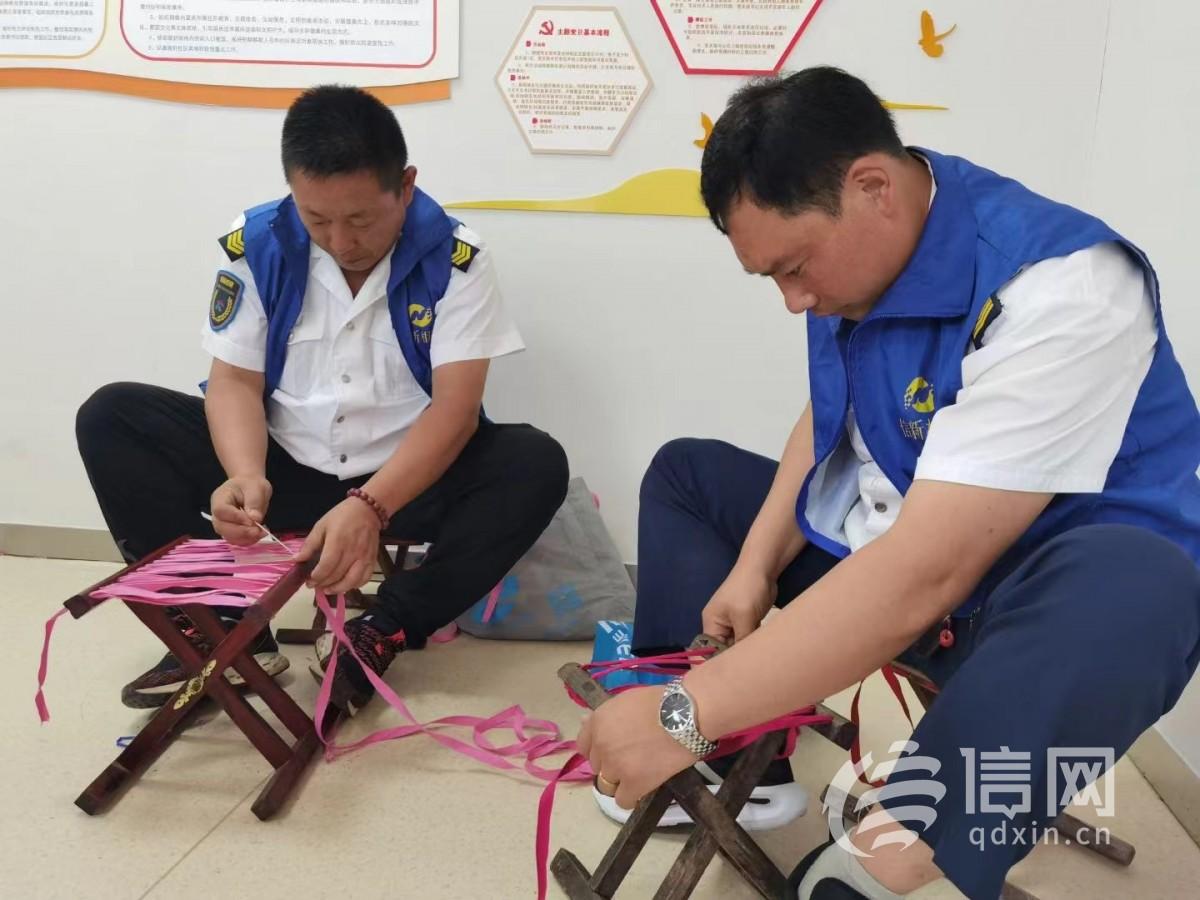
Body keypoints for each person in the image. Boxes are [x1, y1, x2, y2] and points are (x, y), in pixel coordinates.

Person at [576, 67, 1200, 900]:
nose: (794, 301)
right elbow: (832, 408)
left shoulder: (1062, 285)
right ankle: (732, 765)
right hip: (905, 559)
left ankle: (888, 856)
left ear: (873, 187)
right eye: (772, 278)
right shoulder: (861, 261)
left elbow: (928, 572)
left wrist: (682, 713)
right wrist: (756, 564)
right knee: (687, 474)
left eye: (795, 268)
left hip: (1021, 612)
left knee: (1143, 584)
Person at [76, 85, 569, 715]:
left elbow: (455, 410)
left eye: (360, 219)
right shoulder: (259, 243)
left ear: (406, 186)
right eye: (317, 220)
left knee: (534, 461)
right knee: (113, 416)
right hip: (285, 467)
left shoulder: (455, 258)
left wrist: (371, 505)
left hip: (406, 479)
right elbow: (234, 381)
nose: (340, 241)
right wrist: (244, 473)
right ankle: (220, 625)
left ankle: (383, 629)